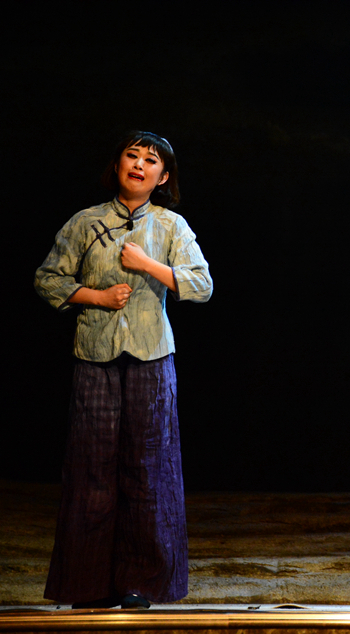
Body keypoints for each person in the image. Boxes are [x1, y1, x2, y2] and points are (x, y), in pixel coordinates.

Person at [34, 131, 213, 609]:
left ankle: (141, 583)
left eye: (150, 160)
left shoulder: (171, 225)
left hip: (151, 358)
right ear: (117, 166)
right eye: (131, 156)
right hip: (95, 355)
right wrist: (95, 296)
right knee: (91, 469)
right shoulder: (86, 221)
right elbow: (47, 278)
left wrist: (149, 265)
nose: (139, 164)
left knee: (148, 467)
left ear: (164, 176)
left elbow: (201, 285)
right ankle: (88, 585)